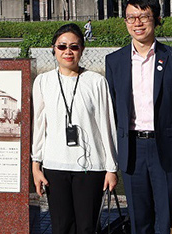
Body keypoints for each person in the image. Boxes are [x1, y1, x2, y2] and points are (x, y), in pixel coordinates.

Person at [104, 0, 172, 234]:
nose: (137, 23)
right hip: (132, 150)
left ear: (156, 19)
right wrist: (111, 162)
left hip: (166, 150)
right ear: (125, 22)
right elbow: (112, 112)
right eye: (131, 17)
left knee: (167, 219)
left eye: (144, 16)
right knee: (138, 220)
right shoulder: (114, 61)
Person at [32, 23, 117, 234]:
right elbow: (39, 125)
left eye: (74, 47)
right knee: (61, 227)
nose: (68, 52)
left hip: (91, 167)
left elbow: (107, 126)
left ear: (82, 49)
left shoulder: (96, 82)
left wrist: (112, 168)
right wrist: (36, 164)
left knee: (87, 226)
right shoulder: (43, 81)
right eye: (62, 47)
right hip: (55, 165)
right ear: (53, 49)